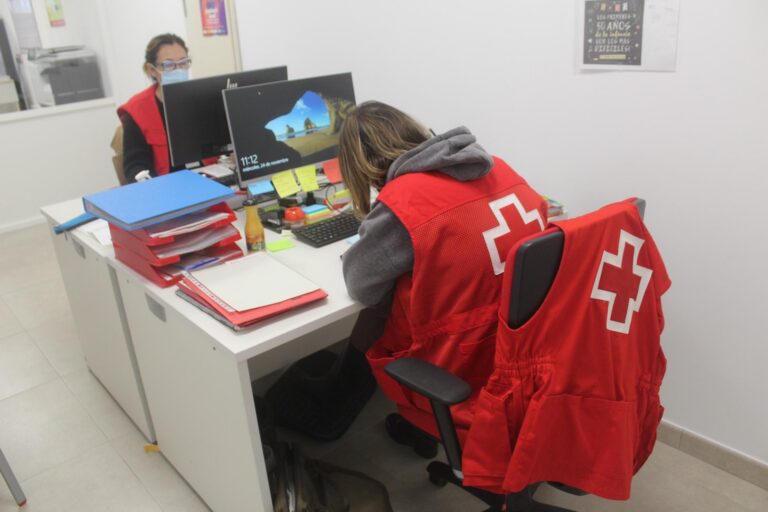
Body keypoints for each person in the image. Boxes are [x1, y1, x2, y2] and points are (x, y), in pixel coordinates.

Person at [338, 101, 549, 448]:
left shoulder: (405, 201)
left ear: (367, 167)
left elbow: (360, 284)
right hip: (526, 354)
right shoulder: (502, 170)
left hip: (461, 369)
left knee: (373, 319)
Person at [117, 33, 193, 183]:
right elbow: (135, 166)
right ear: (152, 70)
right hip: (167, 187)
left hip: (207, 180)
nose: (178, 70)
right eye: (169, 65)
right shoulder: (137, 110)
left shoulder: (199, 97)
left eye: (183, 63)